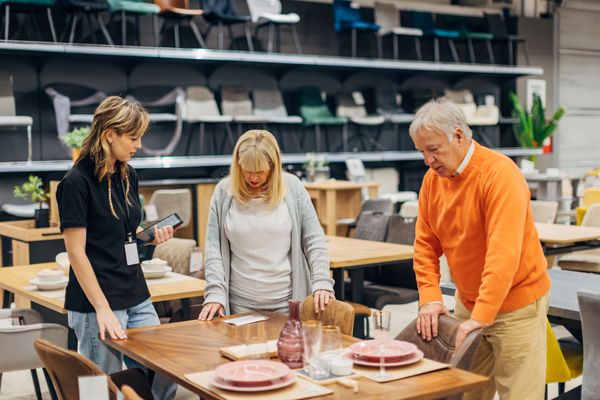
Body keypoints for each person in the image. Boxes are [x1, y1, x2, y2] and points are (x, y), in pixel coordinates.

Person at [409, 98, 551, 400]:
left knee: (520, 395)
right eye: (422, 152)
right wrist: (430, 299)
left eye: (433, 150)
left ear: (459, 136)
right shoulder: (432, 182)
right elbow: (424, 244)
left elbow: (504, 254)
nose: (427, 160)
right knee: (467, 392)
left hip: (517, 305)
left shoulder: (500, 175)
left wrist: (483, 315)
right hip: (468, 303)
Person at [57, 96, 177, 399]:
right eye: (133, 138)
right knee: (100, 387)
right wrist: (103, 309)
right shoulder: (75, 183)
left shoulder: (127, 174)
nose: (138, 145)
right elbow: (76, 253)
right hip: (97, 302)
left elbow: (126, 232)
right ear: (110, 134)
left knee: (167, 369)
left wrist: (149, 236)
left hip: (135, 293)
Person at [199, 129, 335, 320]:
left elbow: (314, 240)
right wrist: (214, 293)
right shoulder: (224, 192)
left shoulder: (293, 187)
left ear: (273, 166)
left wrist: (321, 281)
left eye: (260, 171)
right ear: (238, 165)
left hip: (288, 302)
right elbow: (213, 250)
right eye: (247, 171)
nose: (253, 178)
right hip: (239, 304)